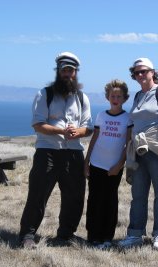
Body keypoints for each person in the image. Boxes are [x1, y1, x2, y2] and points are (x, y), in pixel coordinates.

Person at [19, 52, 93, 249]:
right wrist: (62, 131)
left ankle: (66, 234)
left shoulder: (82, 97)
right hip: (48, 151)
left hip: (74, 152)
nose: (68, 74)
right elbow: (38, 124)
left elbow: (88, 127)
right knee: (38, 194)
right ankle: (27, 234)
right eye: (65, 70)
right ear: (58, 71)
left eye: (71, 70)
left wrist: (77, 132)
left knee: (75, 196)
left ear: (76, 73)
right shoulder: (45, 94)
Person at [118, 58, 158, 251]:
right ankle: (135, 234)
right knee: (138, 194)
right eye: (136, 73)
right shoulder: (138, 95)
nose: (140, 75)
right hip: (138, 151)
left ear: (152, 72)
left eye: (143, 71)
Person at [84, 79, 132, 250]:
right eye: (112, 95)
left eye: (119, 96)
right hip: (96, 164)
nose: (115, 98)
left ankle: (106, 237)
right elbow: (94, 138)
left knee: (110, 201)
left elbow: (128, 144)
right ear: (107, 97)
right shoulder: (101, 115)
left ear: (125, 98)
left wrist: (120, 164)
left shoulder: (127, 118)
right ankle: (92, 236)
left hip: (113, 168)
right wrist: (86, 161)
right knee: (94, 200)